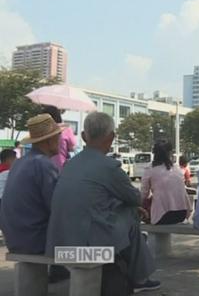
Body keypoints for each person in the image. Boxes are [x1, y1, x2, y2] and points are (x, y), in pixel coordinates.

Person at [45, 112, 160, 293]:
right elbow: (135, 197)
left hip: (58, 245)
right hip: (86, 249)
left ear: (83, 136)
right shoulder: (109, 167)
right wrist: (129, 205)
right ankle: (139, 277)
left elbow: (91, 198)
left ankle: (135, 274)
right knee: (131, 213)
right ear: (112, 137)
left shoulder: (70, 165)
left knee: (123, 212)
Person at [0, 114, 61, 255]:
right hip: (36, 241)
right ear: (49, 140)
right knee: (94, 252)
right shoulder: (43, 164)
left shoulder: (19, 163)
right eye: (57, 136)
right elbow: (56, 206)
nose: (60, 140)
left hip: (15, 238)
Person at [141, 141, 191, 225]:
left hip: (162, 216)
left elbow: (143, 194)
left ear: (154, 154)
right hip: (181, 214)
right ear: (170, 153)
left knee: (145, 204)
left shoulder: (150, 169)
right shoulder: (177, 169)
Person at [42, 105, 76, 171]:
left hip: (44, 166)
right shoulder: (66, 129)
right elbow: (72, 147)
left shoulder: (42, 131)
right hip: (62, 166)